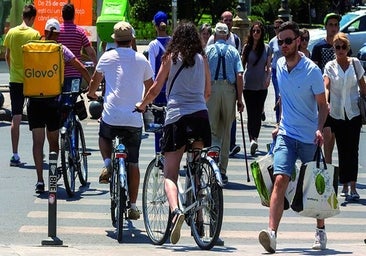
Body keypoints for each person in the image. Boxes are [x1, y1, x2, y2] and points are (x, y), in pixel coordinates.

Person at [135, 22, 211, 244]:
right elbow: (208, 91)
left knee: (170, 174)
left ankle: (176, 211)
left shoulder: (171, 57)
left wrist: (142, 104)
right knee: (196, 167)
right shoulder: (202, 58)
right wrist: (197, 102)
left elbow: (156, 87)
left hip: (177, 117)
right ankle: (198, 214)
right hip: (200, 117)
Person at [258, 21, 328, 253]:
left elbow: (323, 105)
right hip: (287, 134)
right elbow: (284, 99)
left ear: (298, 41)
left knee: (314, 187)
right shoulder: (278, 64)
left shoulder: (312, 70)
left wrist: (319, 128)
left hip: (309, 136)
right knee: (280, 179)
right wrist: (279, 124)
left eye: (288, 41)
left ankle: (320, 230)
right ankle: (272, 234)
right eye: (281, 42)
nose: (284, 45)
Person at [87, 21, 153, 220]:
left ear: (115, 40)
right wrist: (144, 104)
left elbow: (94, 82)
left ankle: (108, 163)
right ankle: (133, 206)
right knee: (133, 162)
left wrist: (92, 94)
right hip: (134, 118)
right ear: (132, 39)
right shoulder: (142, 59)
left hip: (112, 116)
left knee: (104, 136)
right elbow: (151, 87)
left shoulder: (107, 57)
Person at [28, 18, 91, 193]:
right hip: (52, 100)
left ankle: (40, 180)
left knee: (37, 142)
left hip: (34, 100)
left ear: (45, 31)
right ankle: (53, 179)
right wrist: (91, 85)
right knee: (53, 143)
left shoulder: (31, 47)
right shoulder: (60, 49)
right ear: (56, 34)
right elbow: (80, 67)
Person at [323, 32, 366, 200]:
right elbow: (326, 84)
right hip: (337, 113)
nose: (340, 50)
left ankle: (353, 187)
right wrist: (325, 102)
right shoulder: (330, 66)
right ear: (333, 48)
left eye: (343, 47)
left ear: (348, 48)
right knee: (342, 149)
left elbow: (363, 87)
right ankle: (345, 186)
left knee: (352, 150)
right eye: (337, 47)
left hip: (354, 113)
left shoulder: (355, 64)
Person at [206, 22, 244, 185]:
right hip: (229, 90)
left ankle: (211, 164)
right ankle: (222, 170)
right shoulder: (234, 52)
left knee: (212, 129)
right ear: (228, 36)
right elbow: (240, 75)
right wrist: (240, 99)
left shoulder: (207, 51)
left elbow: (203, 72)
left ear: (214, 36)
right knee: (226, 131)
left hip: (212, 89)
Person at [3, 4, 40, 167]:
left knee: (16, 117)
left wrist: (13, 71)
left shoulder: (11, 33)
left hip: (15, 80)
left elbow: (7, 55)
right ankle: (38, 152)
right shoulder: (35, 34)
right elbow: (38, 58)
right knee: (35, 119)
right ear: (32, 17)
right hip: (31, 80)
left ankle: (15, 154)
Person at [311, 13, 341, 165]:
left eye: (336, 24)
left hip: (340, 95)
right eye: (331, 24)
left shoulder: (343, 46)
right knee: (327, 131)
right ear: (325, 26)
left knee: (334, 133)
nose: (333, 28)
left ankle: (330, 165)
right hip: (324, 94)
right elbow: (315, 71)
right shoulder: (318, 47)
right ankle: (327, 165)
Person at [241, 21, 272, 156]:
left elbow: (269, 66)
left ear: (262, 33)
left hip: (261, 84)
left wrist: (268, 77)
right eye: (253, 31)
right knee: (251, 113)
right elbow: (241, 66)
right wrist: (239, 81)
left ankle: (256, 137)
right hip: (248, 84)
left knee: (258, 113)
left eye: (258, 31)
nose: (255, 33)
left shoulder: (267, 48)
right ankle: (252, 139)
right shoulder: (246, 47)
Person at [58, 3, 97, 102]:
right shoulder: (80, 32)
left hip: (58, 75)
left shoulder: (57, 32)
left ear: (62, 15)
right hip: (76, 74)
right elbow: (90, 51)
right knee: (72, 100)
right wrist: (96, 64)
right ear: (74, 15)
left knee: (60, 100)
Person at [147, 11, 171, 153]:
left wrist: (149, 94)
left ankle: (159, 154)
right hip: (172, 90)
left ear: (155, 26)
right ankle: (169, 153)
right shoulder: (174, 42)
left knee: (158, 126)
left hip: (159, 91)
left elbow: (151, 70)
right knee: (170, 125)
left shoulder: (153, 45)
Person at [268, 18, 284, 124]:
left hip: (286, 70)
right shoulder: (272, 41)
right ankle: (278, 120)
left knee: (284, 94)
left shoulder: (287, 40)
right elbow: (269, 58)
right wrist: (268, 71)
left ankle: (283, 118)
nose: (277, 29)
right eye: (275, 27)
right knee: (278, 94)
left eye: (279, 27)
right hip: (275, 71)